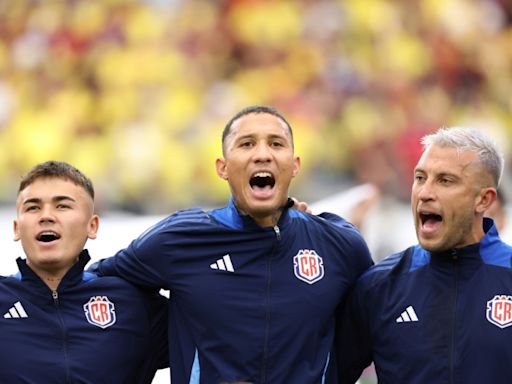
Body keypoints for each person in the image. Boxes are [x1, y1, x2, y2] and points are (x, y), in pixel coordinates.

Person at [92, 105, 373, 383]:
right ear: (223, 168)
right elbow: (98, 286)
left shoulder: (338, 244)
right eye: (247, 144)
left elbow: (372, 326)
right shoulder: (180, 239)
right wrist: (170, 335)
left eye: (276, 144)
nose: (262, 154)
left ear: (295, 165)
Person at [336, 127, 512, 383]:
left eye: (445, 180)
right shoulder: (379, 285)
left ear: (484, 200)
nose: (425, 193)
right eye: (420, 178)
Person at [0, 161, 168, 383]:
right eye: (33, 207)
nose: (46, 216)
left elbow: (214, 339)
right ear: (16, 228)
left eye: (62, 206)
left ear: (93, 226)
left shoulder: (135, 303)